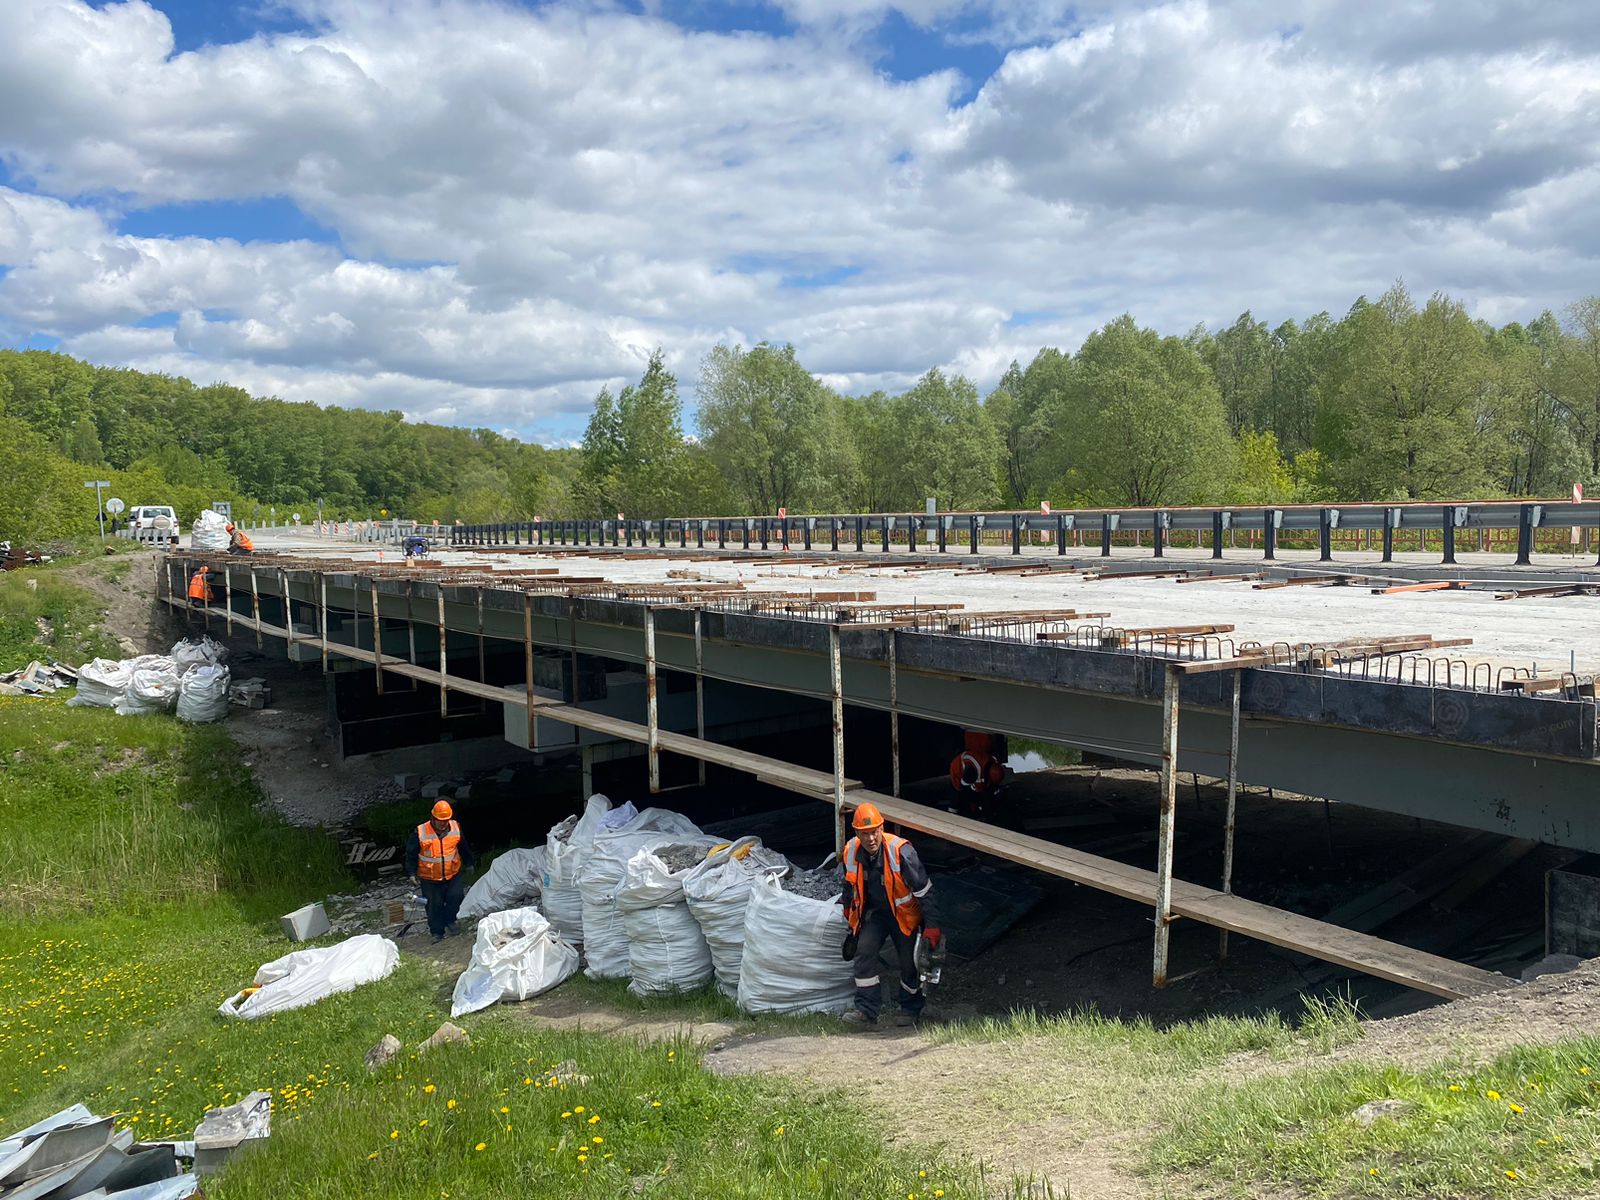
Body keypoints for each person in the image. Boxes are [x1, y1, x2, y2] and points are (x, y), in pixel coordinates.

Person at [839, 801, 941, 1028]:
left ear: (882, 828)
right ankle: (866, 1011)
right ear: (857, 833)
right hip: (875, 914)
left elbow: (925, 890)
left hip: (903, 916)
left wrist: (932, 924)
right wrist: (848, 907)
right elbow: (849, 884)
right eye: (865, 834)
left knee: (909, 962)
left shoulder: (901, 851)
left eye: (874, 832)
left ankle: (910, 1008)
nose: (871, 839)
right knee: (864, 951)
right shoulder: (850, 851)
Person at [405, 799, 476, 943]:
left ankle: (450, 921)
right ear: (433, 818)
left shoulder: (455, 828)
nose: (443, 823)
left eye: (446, 820)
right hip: (429, 877)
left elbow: (463, 847)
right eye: (440, 820)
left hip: (453, 873)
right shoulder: (420, 831)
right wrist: (411, 873)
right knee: (433, 905)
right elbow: (411, 854)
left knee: (456, 897)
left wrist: (469, 863)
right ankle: (437, 932)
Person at [949, 731, 1008, 816]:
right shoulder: (973, 768)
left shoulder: (989, 759)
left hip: (973, 738)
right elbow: (967, 781)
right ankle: (952, 812)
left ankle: (974, 807)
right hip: (957, 770)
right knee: (957, 790)